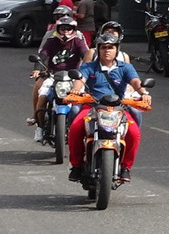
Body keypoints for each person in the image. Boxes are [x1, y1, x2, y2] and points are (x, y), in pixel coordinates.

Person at [67, 31, 152, 184]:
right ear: (98, 49)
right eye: (103, 47)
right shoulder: (89, 67)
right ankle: (76, 166)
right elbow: (80, 80)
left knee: (134, 133)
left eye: (111, 47)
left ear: (117, 50)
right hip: (92, 107)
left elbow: (135, 82)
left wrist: (144, 92)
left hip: (119, 109)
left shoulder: (125, 67)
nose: (107, 50)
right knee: (75, 128)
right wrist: (75, 89)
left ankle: (126, 167)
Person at [28, 16, 90, 138]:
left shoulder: (78, 41)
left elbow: (86, 56)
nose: (66, 31)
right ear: (58, 29)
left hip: (73, 77)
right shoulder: (51, 41)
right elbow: (43, 55)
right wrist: (37, 69)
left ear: (74, 29)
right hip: (53, 76)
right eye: (63, 28)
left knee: (82, 102)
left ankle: (83, 131)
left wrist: (88, 71)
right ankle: (39, 127)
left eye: (69, 28)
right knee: (42, 96)